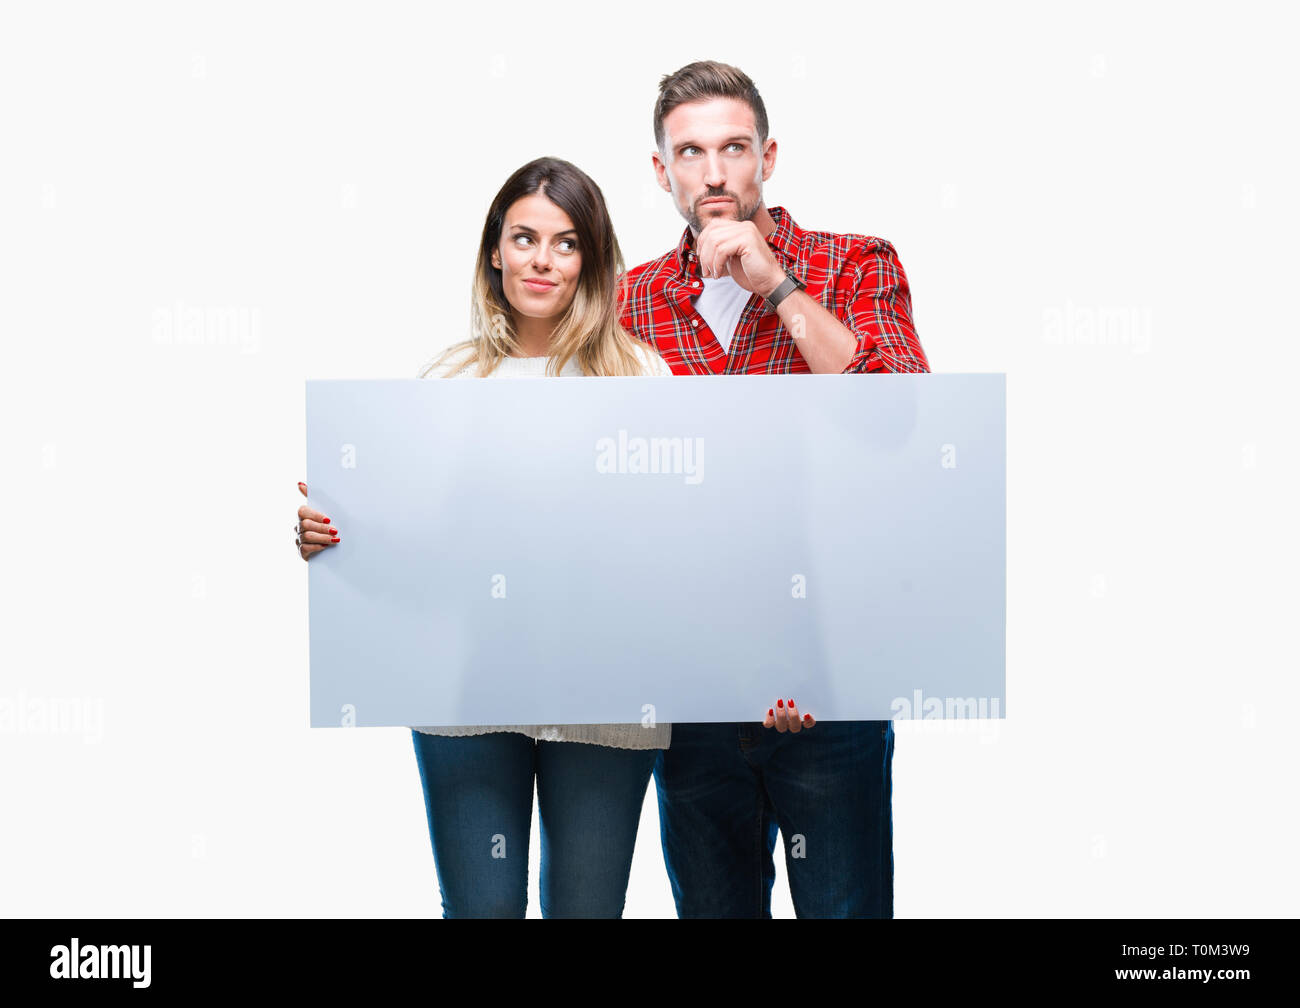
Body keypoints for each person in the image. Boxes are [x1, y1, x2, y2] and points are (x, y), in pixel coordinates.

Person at [295, 156, 674, 918]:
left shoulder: (642, 380)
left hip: (603, 693)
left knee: (586, 910)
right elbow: (417, 547)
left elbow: (671, 545)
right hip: (465, 692)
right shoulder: (449, 383)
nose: (542, 260)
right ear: (493, 252)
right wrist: (339, 540)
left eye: (567, 243)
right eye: (525, 238)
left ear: (592, 263)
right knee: (481, 911)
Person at [619, 60, 931, 918]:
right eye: (689, 153)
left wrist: (777, 285)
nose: (714, 173)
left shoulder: (853, 262)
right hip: (694, 696)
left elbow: (897, 423)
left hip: (830, 682)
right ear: (661, 171)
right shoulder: (628, 299)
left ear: (769, 156)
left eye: (734, 148)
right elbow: (583, 482)